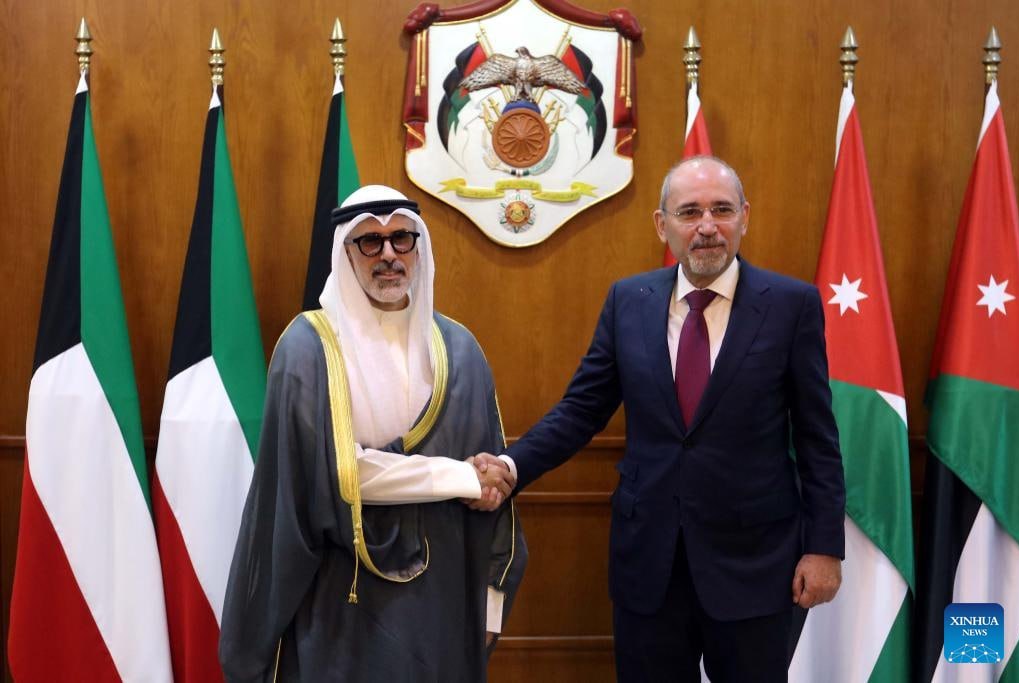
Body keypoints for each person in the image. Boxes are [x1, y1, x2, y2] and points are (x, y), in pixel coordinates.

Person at [474, 156, 845, 681]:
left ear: (744, 217)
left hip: (754, 565)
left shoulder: (790, 305)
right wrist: (512, 467)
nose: (707, 226)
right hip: (649, 564)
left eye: (721, 210)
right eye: (689, 212)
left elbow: (816, 439)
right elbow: (581, 410)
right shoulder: (629, 301)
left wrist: (824, 548)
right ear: (661, 224)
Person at [220, 184, 525, 682]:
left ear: (418, 247)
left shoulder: (460, 349)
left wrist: (489, 607)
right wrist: (461, 478)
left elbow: (493, 489)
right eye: (370, 242)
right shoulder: (308, 349)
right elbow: (337, 473)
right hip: (342, 599)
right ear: (346, 253)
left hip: (441, 601)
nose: (388, 255)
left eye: (402, 238)